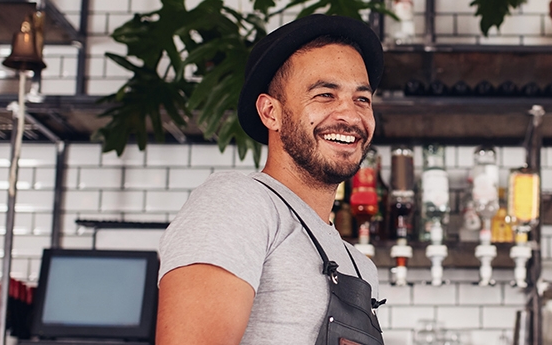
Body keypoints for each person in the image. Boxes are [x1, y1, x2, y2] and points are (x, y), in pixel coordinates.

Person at [155, 14, 387, 345]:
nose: (350, 115)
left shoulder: (360, 266)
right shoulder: (239, 203)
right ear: (270, 113)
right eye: (325, 94)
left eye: (361, 99)